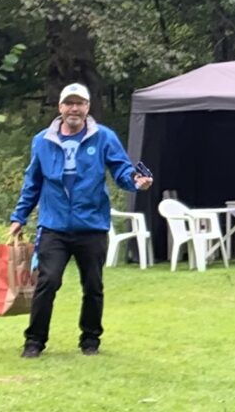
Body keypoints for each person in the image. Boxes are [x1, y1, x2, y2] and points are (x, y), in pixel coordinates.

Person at [8, 82, 152, 358]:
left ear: (88, 107)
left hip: (92, 225)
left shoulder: (104, 137)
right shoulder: (42, 140)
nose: (74, 108)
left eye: (80, 103)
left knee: (93, 285)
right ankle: (34, 342)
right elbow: (32, 182)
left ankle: (90, 341)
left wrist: (136, 181)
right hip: (54, 226)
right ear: (60, 107)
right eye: (69, 103)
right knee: (47, 282)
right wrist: (19, 216)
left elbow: (121, 170)